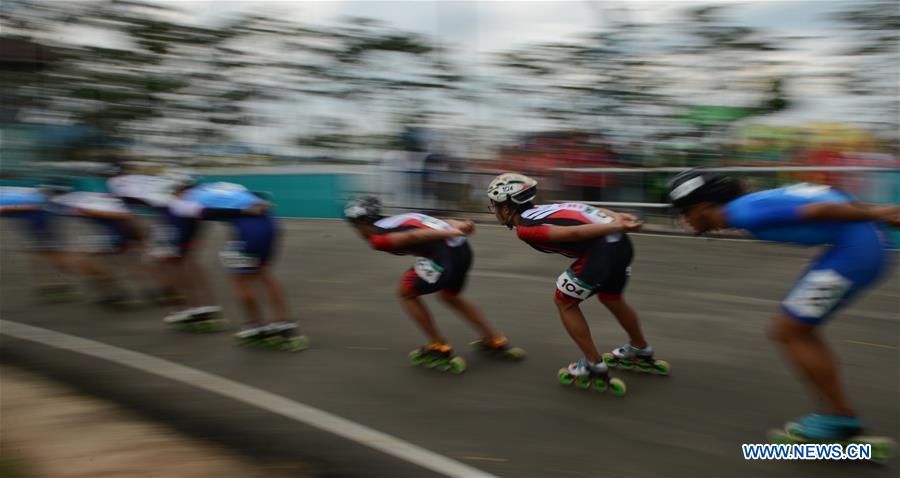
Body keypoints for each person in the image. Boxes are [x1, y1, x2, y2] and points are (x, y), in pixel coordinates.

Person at [667, 169, 898, 439]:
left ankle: (839, 419)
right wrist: (874, 215)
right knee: (796, 330)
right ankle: (839, 415)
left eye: (684, 212)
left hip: (855, 252)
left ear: (701, 207)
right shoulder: (750, 204)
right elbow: (832, 196)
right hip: (859, 245)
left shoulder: (742, 213)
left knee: (790, 331)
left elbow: (820, 210)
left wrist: (878, 213)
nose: (684, 220)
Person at [487, 173, 670, 396]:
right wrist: (618, 219)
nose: (494, 210)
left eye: (494, 206)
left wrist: (616, 225)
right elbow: (591, 209)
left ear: (506, 208)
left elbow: (572, 233)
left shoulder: (526, 228)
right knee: (611, 297)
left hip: (602, 250)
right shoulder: (547, 208)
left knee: (565, 302)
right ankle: (640, 348)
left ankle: (594, 365)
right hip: (621, 245)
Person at [344, 195, 524, 374]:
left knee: (405, 293)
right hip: (461, 250)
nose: (355, 230)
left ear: (361, 221)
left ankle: (438, 346)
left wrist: (450, 232)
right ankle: (494, 339)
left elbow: (413, 236)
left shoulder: (377, 238)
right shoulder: (397, 219)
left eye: (353, 225)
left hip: (442, 255)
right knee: (450, 296)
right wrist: (459, 225)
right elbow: (437, 222)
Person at [167, 181, 307, 350]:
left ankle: (255, 326)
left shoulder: (183, 202)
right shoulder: (221, 186)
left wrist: (242, 212)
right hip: (269, 223)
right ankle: (285, 324)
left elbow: (205, 213)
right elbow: (258, 197)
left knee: (238, 278)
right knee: (263, 274)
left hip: (248, 230)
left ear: (180, 192)